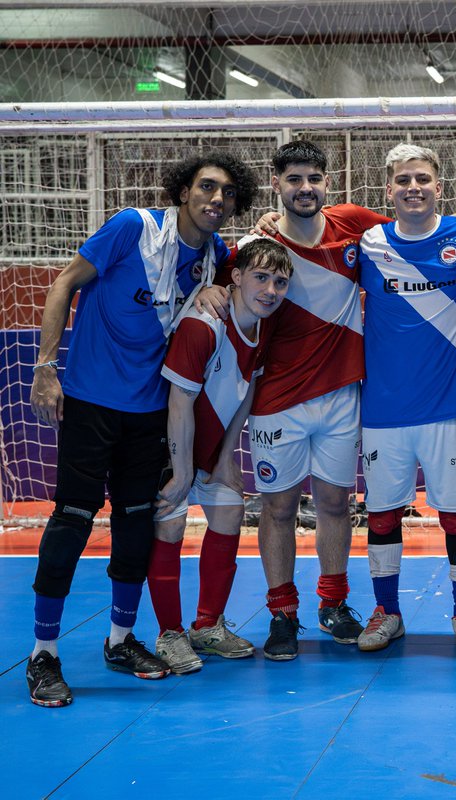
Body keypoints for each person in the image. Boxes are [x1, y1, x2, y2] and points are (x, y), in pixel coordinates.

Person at [25, 151, 258, 707]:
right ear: (183, 191)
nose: (216, 200)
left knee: (136, 525)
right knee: (71, 522)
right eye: (207, 187)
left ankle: (121, 640)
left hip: (151, 410)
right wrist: (43, 368)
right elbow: (62, 284)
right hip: (88, 401)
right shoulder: (134, 227)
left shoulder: (215, 258)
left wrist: (213, 288)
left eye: (227, 194)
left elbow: (257, 274)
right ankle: (43, 654)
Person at [231, 141, 391, 661]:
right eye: (295, 179)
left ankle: (334, 603)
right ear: (276, 184)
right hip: (277, 400)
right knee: (277, 508)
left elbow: (415, 230)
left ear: (328, 182)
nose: (306, 188)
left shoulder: (353, 223)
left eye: (315, 178)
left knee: (334, 505)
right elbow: (224, 290)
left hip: (342, 396)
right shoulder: (255, 246)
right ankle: (282, 613)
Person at [352, 144, 456, 654]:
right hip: (383, 409)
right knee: (382, 515)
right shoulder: (368, 243)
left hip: (450, 406)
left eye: (422, 178)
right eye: (402, 180)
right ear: (388, 189)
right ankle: (386, 611)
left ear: (440, 186)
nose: (412, 187)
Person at [147, 239, 292, 674]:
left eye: (280, 282)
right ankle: (170, 634)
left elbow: (246, 394)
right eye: (261, 277)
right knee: (170, 526)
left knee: (229, 516)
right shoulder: (203, 324)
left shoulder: (265, 324)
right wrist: (182, 472)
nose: (270, 289)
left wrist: (228, 456)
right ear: (237, 276)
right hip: (168, 445)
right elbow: (178, 404)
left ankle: (207, 626)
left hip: (212, 447)